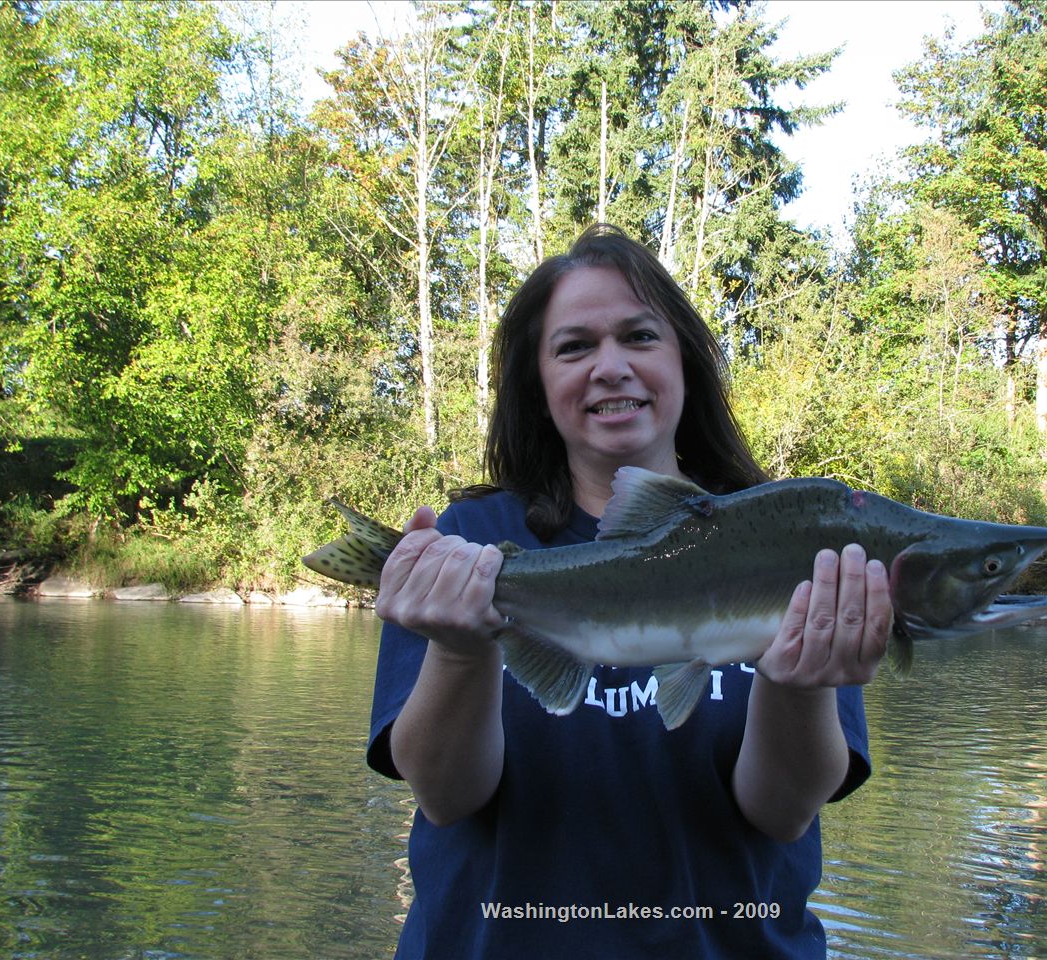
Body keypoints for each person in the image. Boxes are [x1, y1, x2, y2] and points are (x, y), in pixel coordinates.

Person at [367, 224, 892, 959]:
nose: (611, 367)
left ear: (684, 363)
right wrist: (459, 652)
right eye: (574, 347)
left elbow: (781, 814)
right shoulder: (466, 546)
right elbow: (447, 797)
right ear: (538, 386)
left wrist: (800, 683)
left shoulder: (795, 538)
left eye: (640, 337)